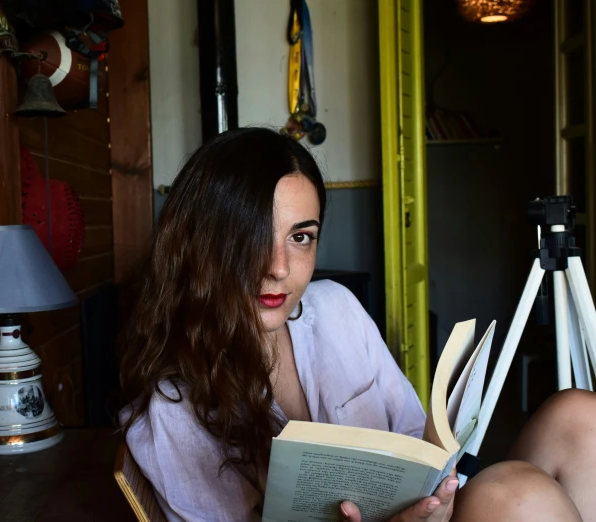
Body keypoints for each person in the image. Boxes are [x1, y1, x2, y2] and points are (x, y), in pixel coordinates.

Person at [119, 127, 596, 522]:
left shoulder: (337, 308)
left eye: (301, 237)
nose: (279, 267)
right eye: (251, 236)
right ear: (201, 243)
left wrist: (436, 497)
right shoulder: (171, 412)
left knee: (580, 414)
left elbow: (414, 438)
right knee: (519, 496)